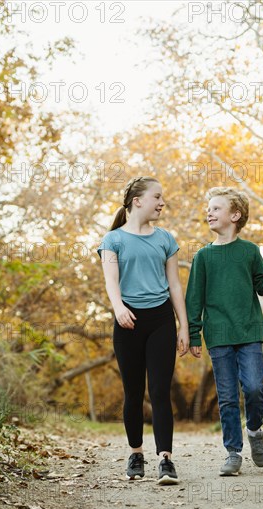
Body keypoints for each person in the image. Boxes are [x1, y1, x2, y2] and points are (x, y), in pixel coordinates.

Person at [186, 187, 263, 476]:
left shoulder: (249, 251)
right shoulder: (203, 256)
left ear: (235, 215)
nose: (209, 212)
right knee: (228, 396)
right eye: (209, 208)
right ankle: (233, 451)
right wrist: (194, 335)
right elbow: (194, 299)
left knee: (254, 387)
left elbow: (261, 283)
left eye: (216, 208)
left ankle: (254, 431)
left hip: (248, 330)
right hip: (218, 334)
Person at [97, 176, 189, 485]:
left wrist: (184, 326)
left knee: (160, 391)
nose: (162, 203)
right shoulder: (113, 240)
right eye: (157, 197)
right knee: (133, 392)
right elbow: (111, 280)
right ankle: (136, 454)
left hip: (161, 321)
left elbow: (175, 285)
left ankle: (166, 460)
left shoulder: (165, 238)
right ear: (138, 201)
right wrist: (118, 307)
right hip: (128, 323)